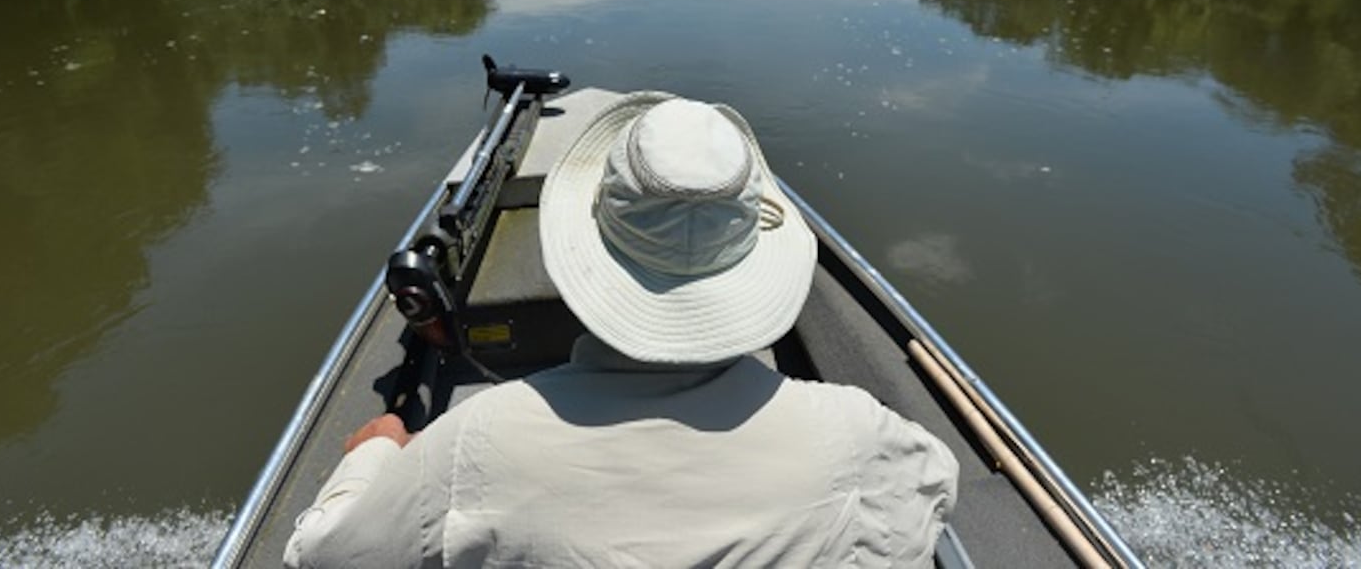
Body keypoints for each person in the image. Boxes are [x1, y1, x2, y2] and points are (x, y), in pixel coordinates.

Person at [286, 93, 958, 567]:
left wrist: (375, 452)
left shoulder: (476, 442)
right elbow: (933, 485)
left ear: (587, 248)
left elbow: (323, 555)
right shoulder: (853, 430)